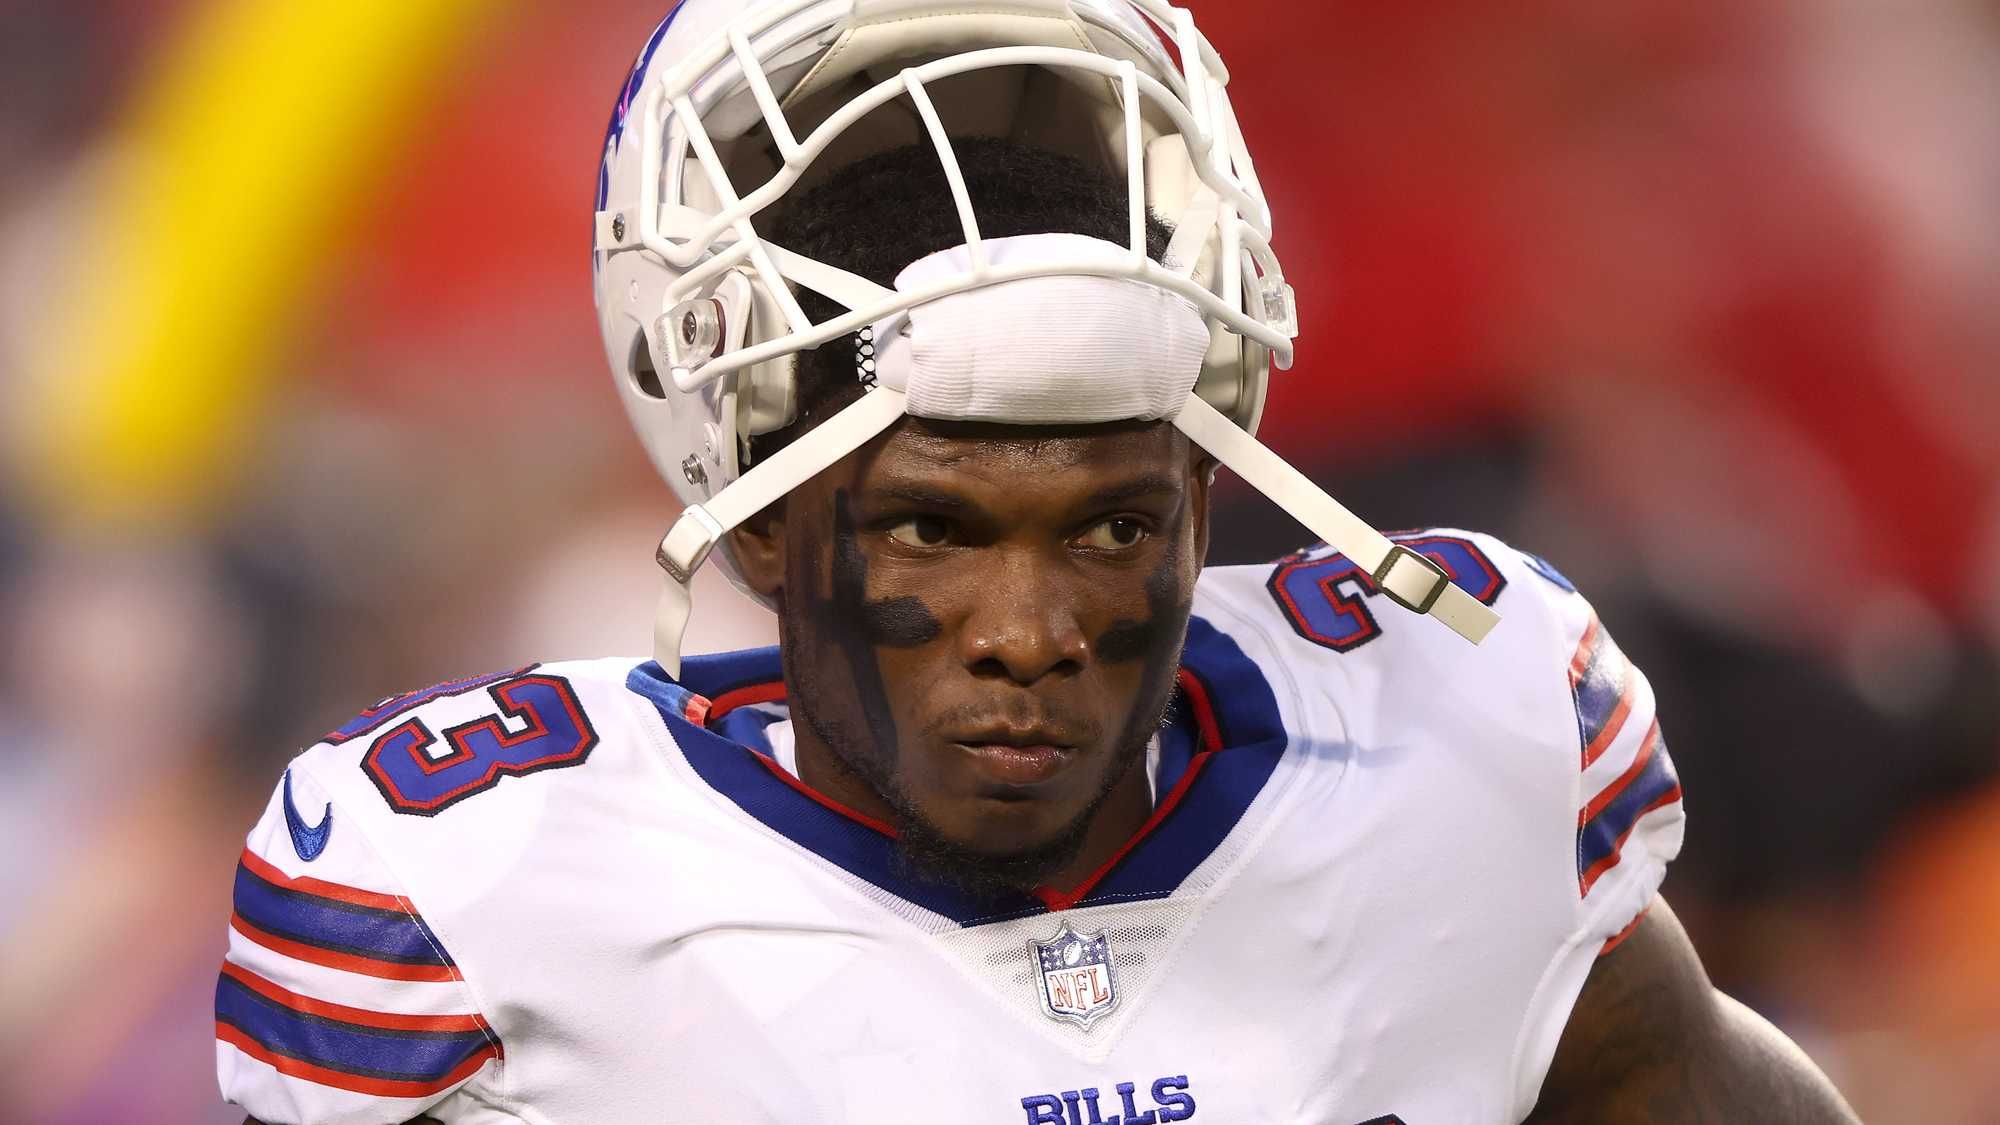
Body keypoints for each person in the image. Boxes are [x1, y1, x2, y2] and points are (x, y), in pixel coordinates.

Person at [216, 2, 1860, 1122]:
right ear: (763, 519)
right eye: (935, 525)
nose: (1030, 629)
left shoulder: (1454, 745)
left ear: (1205, 499)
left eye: (1112, 527)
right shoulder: (482, 896)